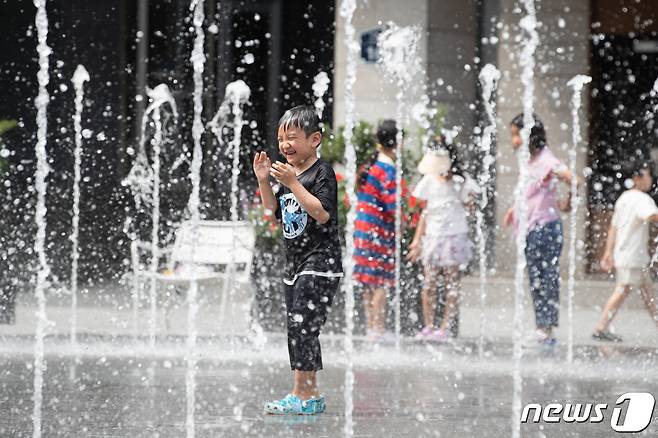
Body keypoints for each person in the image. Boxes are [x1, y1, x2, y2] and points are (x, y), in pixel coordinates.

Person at [253, 105, 343, 415]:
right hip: (295, 263)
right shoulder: (290, 175)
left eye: (292, 138)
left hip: (320, 262)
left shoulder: (321, 173)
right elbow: (273, 212)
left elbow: (321, 212)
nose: (284, 145)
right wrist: (265, 179)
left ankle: (301, 393)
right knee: (297, 327)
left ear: (315, 139)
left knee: (304, 325)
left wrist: (292, 183)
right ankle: (309, 394)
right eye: (280, 139)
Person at [503, 113, 579, 346]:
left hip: (545, 229)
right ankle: (542, 328)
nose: (514, 141)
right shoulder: (530, 160)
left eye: (516, 135)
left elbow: (572, 179)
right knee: (536, 278)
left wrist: (568, 203)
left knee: (546, 279)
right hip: (533, 228)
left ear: (529, 135)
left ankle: (546, 330)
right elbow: (530, 191)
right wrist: (514, 209)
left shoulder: (546, 160)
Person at [407, 138, 477, 342]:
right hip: (433, 236)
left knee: (451, 284)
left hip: (454, 236)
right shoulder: (429, 179)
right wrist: (417, 240)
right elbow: (425, 213)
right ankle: (429, 325)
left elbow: (471, 208)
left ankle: (445, 327)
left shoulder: (460, 181)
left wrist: (469, 200)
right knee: (428, 283)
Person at [593, 161, 658, 341]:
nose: (650, 179)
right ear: (636, 179)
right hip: (633, 256)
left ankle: (602, 327)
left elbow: (613, 228)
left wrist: (608, 251)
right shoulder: (642, 199)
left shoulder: (624, 198)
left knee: (647, 292)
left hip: (628, 254)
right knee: (623, 290)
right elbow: (653, 216)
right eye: (647, 175)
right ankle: (600, 327)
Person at [353, 119, 403, 342]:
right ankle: (378, 329)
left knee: (367, 280)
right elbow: (392, 205)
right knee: (381, 279)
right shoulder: (387, 169)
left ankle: (369, 327)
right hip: (379, 230)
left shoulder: (368, 165)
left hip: (362, 228)